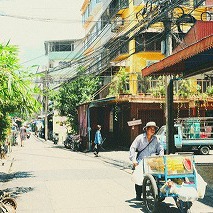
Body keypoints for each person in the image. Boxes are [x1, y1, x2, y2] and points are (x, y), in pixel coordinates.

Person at [129, 121, 164, 201]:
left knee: (159, 176)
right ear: (146, 129)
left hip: (152, 161)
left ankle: (157, 192)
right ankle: (138, 195)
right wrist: (134, 160)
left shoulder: (156, 139)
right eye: (151, 128)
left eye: (154, 129)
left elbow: (161, 148)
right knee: (138, 176)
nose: (153, 130)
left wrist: (160, 157)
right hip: (141, 161)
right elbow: (133, 148)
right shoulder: (140, 138)